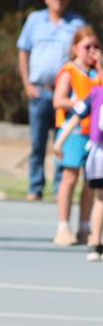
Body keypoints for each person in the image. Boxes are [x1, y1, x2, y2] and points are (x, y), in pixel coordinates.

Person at [17, 0, 86, 201]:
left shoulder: (76, 23)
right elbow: (23, 51)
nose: (59, 0)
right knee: (38, 142)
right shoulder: (35, 20)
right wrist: (27, 83)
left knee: (62, 140)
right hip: (39, 90)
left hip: (65, 95)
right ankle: (35, 186)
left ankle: (60, 188)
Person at [51, 27, 100, 245]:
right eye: (87, 47)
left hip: (93, 135)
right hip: (73, 131)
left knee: (91, 183)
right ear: (75, 49)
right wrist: (83, 105)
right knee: (70, 177)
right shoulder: (69, 70)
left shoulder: (96, 73)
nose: (92, 51)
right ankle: (63, 226)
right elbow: (58, 100)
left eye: (96, 46)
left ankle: (85, 226)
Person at [54, 81, 103, 261]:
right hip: (100, 151)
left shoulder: (96, 93)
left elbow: (76, 115)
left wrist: (60, 141)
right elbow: (77, 115)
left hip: (99, 152)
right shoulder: (97, 93)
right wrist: (60, 141)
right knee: (100, 198)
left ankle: (96, 244)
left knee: (100, 198)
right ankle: (96, 242)